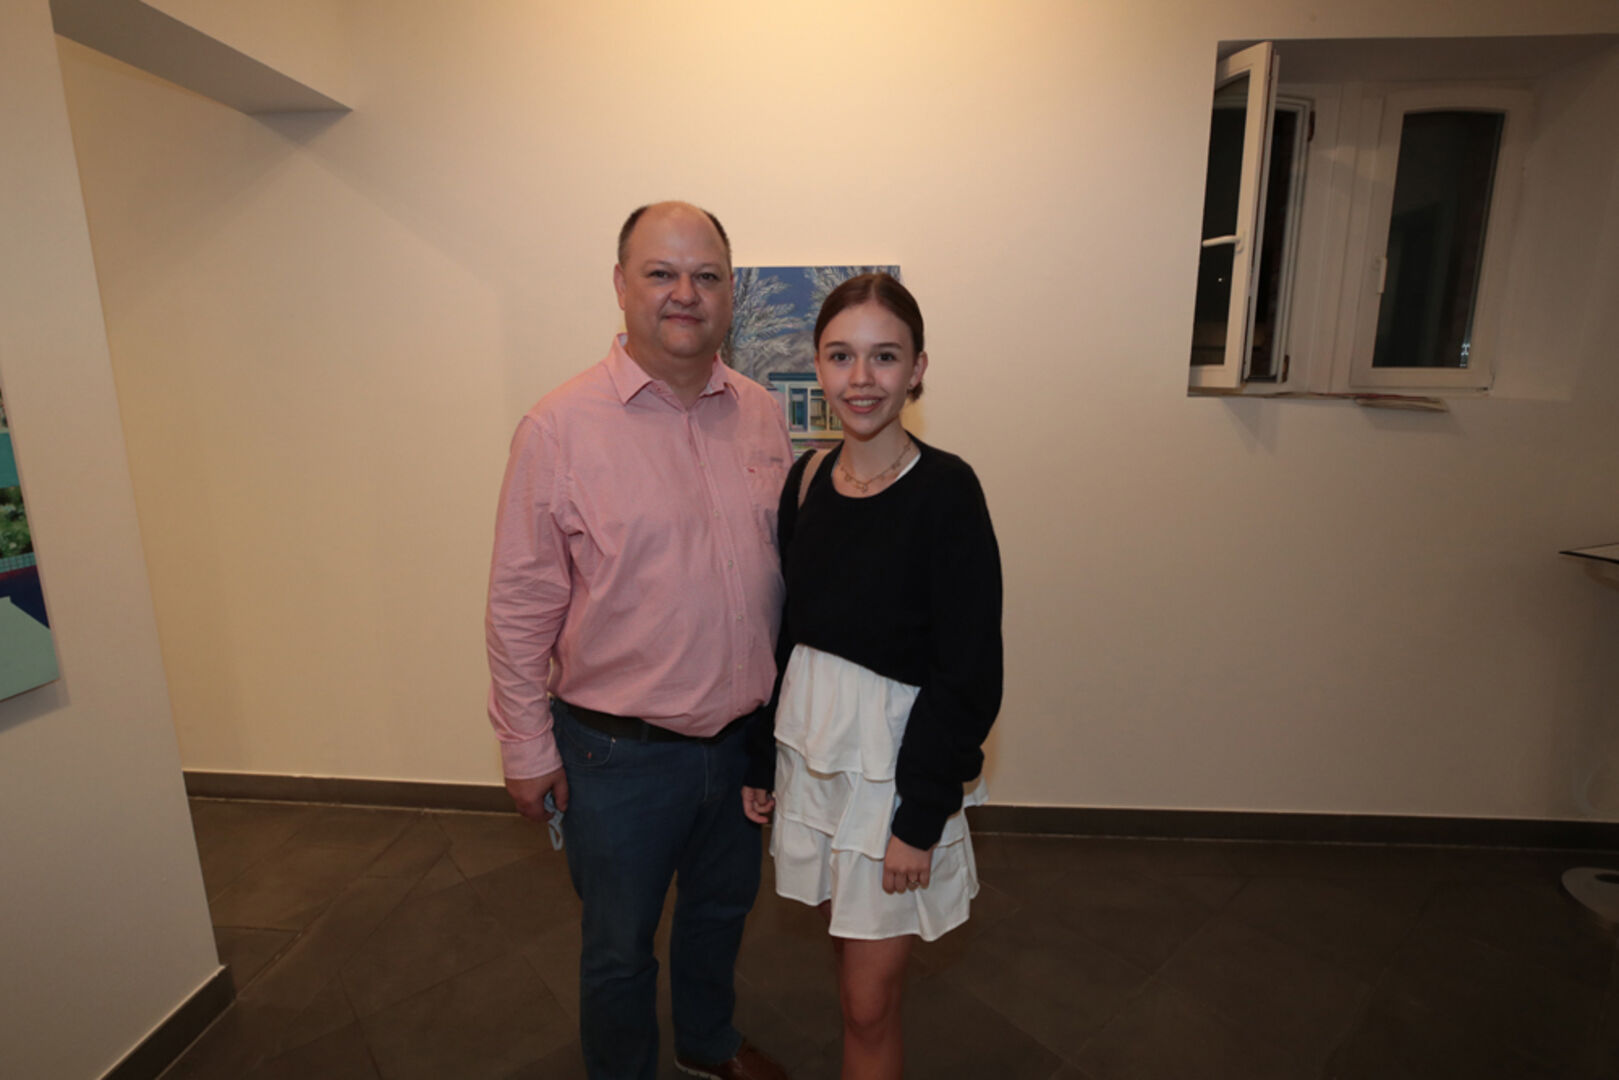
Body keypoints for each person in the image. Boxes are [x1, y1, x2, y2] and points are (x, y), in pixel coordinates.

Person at [486, 201, 793, 1080]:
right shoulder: (559, 427)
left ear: (729, 292)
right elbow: (520, 602)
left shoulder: (761, 415)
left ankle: (705, 1044)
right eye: (661, 273)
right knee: (618, 949)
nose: (684, 293)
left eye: (706, 276)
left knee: (719, 915)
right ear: (621, 285)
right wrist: (524, 746)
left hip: (739, 746)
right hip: (617, 758)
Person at [741, 273, 1002, 1079]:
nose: (861, 378)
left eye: (884, 357)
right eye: (840, 356)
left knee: (866, 1003)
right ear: (817, 366)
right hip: (816, 757)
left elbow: (968, 670)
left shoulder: (947, 491)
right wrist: (761, 758)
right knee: (850, 961)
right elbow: (788, 633)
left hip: (893, 771)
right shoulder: (806, 481)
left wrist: (918, 818)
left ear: (917, 368)